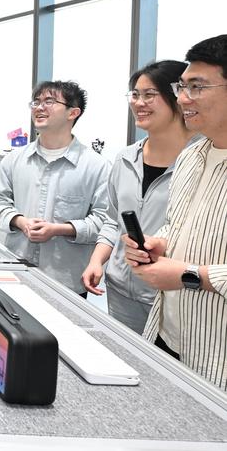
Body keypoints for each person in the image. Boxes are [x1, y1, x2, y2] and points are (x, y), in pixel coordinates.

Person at [125, 35, 227, 390]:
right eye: (182, 86)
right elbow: (178, 223)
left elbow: (191, 271)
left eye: (197, 87)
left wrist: (189, 275)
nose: (183, 98)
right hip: (168, 335)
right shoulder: (191, 157)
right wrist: (159, 244)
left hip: (216, 357)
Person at [81, 61, 196, 333]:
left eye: (149, 95)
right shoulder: (125, 158)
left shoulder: (199, 161)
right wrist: (97, 260)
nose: (138, 103)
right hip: (122, 289)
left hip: (174, 294)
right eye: (135, 94)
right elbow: (113, 221)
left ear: (177, 98)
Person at [0, 80, 110, 296]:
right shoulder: (15, 159)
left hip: (66, 279)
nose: (39, 107)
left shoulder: (96, 166)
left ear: (73, 113)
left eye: (49, 101)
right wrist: (20, 221)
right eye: (36, 102)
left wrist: (60, 229)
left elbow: (106, 221)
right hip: (16, 269)